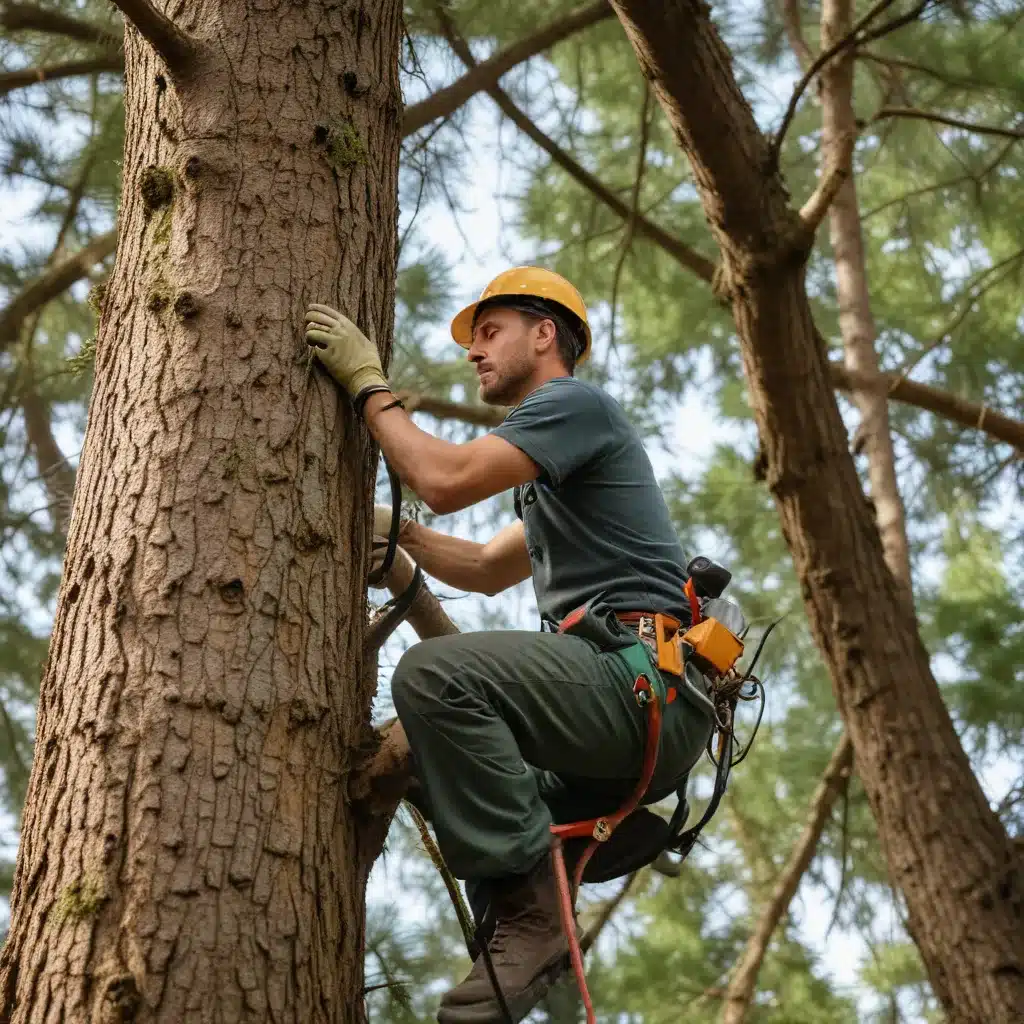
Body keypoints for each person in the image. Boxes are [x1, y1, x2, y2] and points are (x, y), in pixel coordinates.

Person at [304, 267, 716, 1023]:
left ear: (545, 334)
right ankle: (533, 900)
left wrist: (368, 386)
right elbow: (491, 569)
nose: (474, 352)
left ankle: (533, 917)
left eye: (489, 332)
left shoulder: (572, 405)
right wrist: (404, 542)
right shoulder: (556, 472)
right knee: (436, 762)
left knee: (434, 679)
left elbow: (445, 477)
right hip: (627, 705)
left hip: (634, 684)